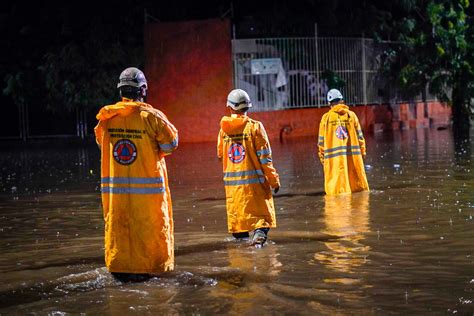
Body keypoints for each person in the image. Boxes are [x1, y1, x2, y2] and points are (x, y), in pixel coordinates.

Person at [94, 67, 178, 281]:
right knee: (149, 237)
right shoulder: (151, 117)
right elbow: (171, 144)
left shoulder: (107, 118)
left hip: (117, 198)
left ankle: (120, 267)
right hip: (147, 199)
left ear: (121, 90)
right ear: (142, 90)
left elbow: (101, 144)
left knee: (119, 234)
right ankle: (146, 269)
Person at [217, 89, 280, 246]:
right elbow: (266, 159)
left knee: (239, 229)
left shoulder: (223, 131)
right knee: (262, 221)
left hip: (234, 189)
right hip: (255, 187)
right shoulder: (255, 128)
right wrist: (274, 180)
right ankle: (259, 236)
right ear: (248, 107)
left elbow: (220, 155)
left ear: (229, 107)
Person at [318, 89, 369, 195]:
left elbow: (321, 143)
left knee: (336, 195)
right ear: (342, 100)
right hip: (354, 161)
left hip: (334, 163)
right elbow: (360, 138)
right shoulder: (352, 116)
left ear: (329, 103)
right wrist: (362, 154)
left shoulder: (326, 119)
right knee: (358, 193)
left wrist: (323, 160)